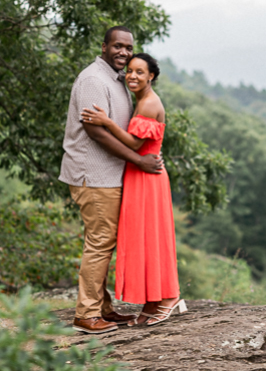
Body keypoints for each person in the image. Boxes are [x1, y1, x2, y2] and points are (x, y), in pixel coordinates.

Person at [58, 26, 164, 334]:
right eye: (117, 46)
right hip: (93, 175)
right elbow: (96, 131)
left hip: (110, 175)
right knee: (100, 241)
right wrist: (138, 160)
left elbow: (131, 130)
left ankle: (102, 307)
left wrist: (147, 152)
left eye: (128, 48)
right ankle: (87, 314)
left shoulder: (117, 80)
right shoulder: (93, 79)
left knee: (105, 240)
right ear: (104, 46)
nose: (123, 52)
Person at [81, 53, 185, 326]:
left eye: (140, 72)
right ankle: (153, 299)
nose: (133, 76)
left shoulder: (149, 104)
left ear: (151, 76)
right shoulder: (139, 100)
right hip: (138, 175)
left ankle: (168, 297)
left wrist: (106, 122)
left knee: (152, 237)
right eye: (129, 71)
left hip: (147, 176)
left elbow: (136, 145)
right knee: (145, 237)